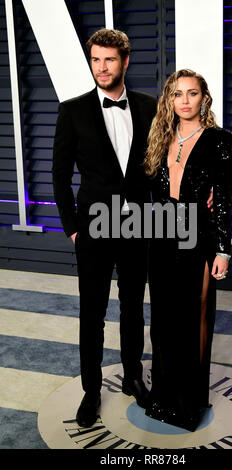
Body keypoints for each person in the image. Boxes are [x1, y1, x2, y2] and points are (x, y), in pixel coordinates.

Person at [52, 28, 157, 428]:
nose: (102, 67)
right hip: (92, 227)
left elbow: (160, 170)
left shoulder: (150, 106)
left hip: (137, 223)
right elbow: (60, 175)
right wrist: (72, 228)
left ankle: (133, 376)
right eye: (96, 59)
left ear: (125, 61)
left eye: (109, 59)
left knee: (133, 306)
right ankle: (91, 390)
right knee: (91, 312)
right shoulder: (73, 110)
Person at [143, 69, 232, 432]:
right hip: (162, 230)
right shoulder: (157, 137)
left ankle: (190, 402)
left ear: (203, 98)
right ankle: (163, 396)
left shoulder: (219, 140)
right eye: (177, 94)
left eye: (192, 93)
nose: (184, 100)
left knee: (194, 316)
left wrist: (222, 250)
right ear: (169, 99)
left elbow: (224, 199)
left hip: (197, 232)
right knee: (164, 318)